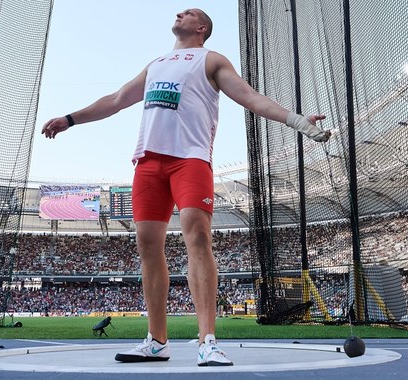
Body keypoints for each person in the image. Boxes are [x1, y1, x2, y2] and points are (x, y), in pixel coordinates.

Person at [42, 8, 331, 367]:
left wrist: (298, 121)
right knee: (147, 246)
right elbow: (116, 100)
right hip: (148, 161)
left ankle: (207, 341)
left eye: (189, 12)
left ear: (201, 27)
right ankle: (156, 341)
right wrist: (71, 119)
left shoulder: (211, 60)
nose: (180, 13)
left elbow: (250, 97)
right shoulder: (157, 64)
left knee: (197, 237)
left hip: (189, 160)